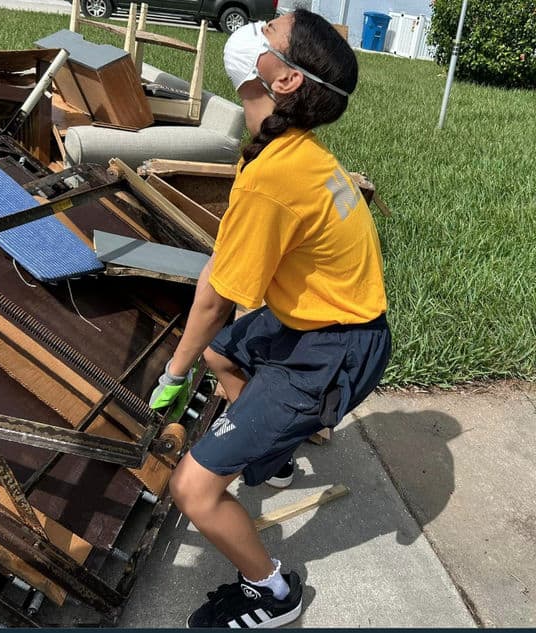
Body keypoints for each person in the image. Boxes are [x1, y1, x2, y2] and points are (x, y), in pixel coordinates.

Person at [149, 9, 391, 628]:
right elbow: (223, 274)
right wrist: (192, 359)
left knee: (194, 491)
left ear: (283, 79)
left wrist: (171, 375)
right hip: (326, 322)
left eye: (269, 31)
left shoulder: (276, 174)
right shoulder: (293, 153)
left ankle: (274, 593)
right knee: (221, 353)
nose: (253, 29)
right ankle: (275, 454)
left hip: (332, 348)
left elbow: (215, 297)